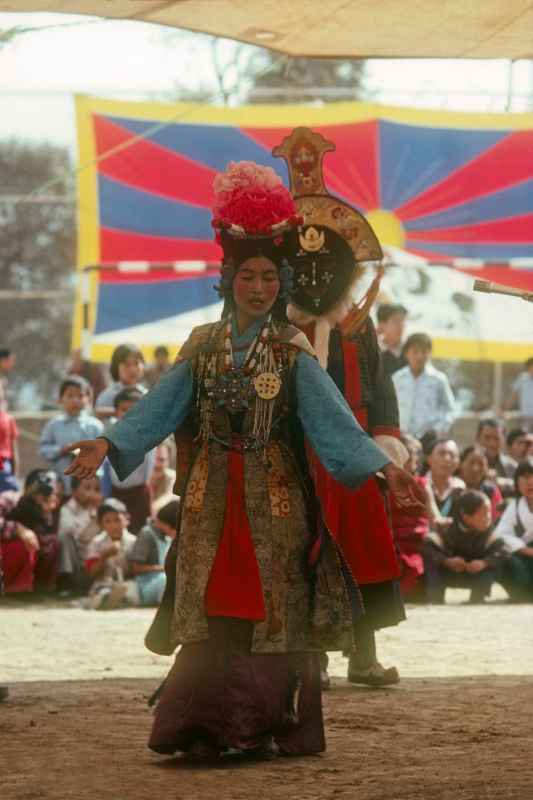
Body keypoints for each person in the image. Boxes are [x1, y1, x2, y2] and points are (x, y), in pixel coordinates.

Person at [65, 159, 424, 760]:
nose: (258, 287)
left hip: (275, 506)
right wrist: (109, 443)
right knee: (210, 606)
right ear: (229, 278)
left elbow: (333, 419)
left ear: (279, 283)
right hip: (209, 504)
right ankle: (202, 724)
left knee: (271, 609)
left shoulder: (290, 349)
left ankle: (257, 724)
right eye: (247, 276)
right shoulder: (202, 345)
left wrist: (386, 467)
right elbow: (160, 406)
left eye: (267, 277)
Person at [275, 126, 408, 688]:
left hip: (354, 453)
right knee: (303, 552)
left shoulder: (360, 324)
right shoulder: (279, 329)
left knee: (364, 548)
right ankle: (315, 662)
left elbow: (380, 388)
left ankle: (364, 656)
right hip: (300, 453)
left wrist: (385, 439)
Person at [423, 490, 508, 604]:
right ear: (466, 517)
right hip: (450, 573)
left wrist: (484, 563)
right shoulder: (447, 529)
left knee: (493, 566)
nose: (488, 517)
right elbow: (427, 547)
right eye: (483, 514)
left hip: (476, 574)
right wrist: (446, 561)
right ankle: (435, 597)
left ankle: (478, 597)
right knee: (432, 564)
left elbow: (503, 550)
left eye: (489, 512)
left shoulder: (489, 531)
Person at [39, 376, 103, 496]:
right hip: (61, 488)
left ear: (88, 399)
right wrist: (61, 450)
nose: (75, 400)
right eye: (70, 396)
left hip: (88, 490)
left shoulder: (95, 426)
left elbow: (104, 455)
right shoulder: (53, 425)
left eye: (80, 396)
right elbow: (43, 450)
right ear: (60, 399)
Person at [107, 387, 155, 534]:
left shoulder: (148, 433)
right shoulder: (110, 433)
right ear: (116, 412)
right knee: (117, 532)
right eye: (124, 409)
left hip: (139, 493)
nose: (129, 414)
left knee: (140, 530)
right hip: (117, 492)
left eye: (135, 410)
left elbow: (148, 466)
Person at [392, 333, 456, 439]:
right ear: (406, 353)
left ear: (430, 354)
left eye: (424, 352)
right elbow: (390, 408)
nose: (420, 356)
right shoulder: (397, 378)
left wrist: (437, 430)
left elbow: (450, 410)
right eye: (415, 351)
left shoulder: (439, 379)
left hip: (428, 440)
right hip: (401, 438)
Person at [391, 434, 429, 599]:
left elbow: (432, 514)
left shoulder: (421, 484)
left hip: (417, 535)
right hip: (394, 534)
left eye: (411, 457)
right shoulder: (387, 483)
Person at [7, 479, 59, 593]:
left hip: (29, 540)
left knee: (51, 543)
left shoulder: (44, 509)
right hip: (11, 544)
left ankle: (40, 587)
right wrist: (19, 529)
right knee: (26, 546)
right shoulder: (13, 501)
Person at [85, 498, 136, 610]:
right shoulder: (96, 542)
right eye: (108, 521)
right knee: (102, 593)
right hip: (103, 583)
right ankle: (107, 600)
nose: (113, 525)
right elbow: (91, 573)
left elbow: (136, 569)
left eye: (117, 520)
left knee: (131, 592)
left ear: (126, 520)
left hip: (127, 583)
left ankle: (118, 599)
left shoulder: (133, 542)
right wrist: (104, 556)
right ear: (101, 525)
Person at [57, 475, 102, 595]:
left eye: (96, 489)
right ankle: (67, 583)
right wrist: (91, 517)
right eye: (87, 488)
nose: (92, 493)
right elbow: (74, 535)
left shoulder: (100, 511)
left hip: (94, 565)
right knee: (64, 537)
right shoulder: (66, 510)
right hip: (76, 565)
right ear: (73, 491)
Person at [128, 500, 179, 606]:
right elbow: (135, 568)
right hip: (146, 585)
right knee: (165, 580)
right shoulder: (147, 534)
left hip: (159, 580)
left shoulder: (166, 536)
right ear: (168, 525)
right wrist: (161, 568)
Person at [495, 461, 533, 600]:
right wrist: (526, 550)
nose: (530, 482)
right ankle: (520, 593)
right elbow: (502, 535)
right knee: (502, 558)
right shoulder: (514, 506)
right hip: (524, 555)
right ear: (517, 482)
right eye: (525, 477)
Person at [95, 344, 146, 418]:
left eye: (136, 363)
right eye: (127, 365)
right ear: (116, 367)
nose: (132, 369)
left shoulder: (145, 393)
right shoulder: (108, 395)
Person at [423, 438, 465, 521]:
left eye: (452, 455)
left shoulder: (460, 488)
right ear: (429, 459)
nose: (447, 459)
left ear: (458, 463)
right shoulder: (418, 485)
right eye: (441, 454)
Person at [458, 446, 503, 521]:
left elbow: (497, 520)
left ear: (487, 468)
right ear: (460, 464)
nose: (475, 469)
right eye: (471, 463)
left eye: (481, 464)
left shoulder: (491, 491)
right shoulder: (452, 488)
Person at [476, 418, 516, 496]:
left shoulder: (512, 467)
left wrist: (502, 483)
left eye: (497, 439)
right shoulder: (466, 464)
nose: (492, 444)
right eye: (487, 438)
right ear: (478, 438)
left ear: (503, 440)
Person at [376, 303, 408, 379]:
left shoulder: (411, 350)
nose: (401, 325)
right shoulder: (374, 352)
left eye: (403, 320)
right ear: (382, 325)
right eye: (396, 321)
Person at [149, 443, 178, 514]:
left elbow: (170, 496)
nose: (156, 464)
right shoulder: (137, 479)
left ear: (169, 461)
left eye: (161, 460)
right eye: (153, 459)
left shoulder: (172, 477)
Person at [0, 405, 19, 492]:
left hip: (4, 464)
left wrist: (15, 474)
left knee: (11, 493)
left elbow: (14, 449)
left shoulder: (8, 419)